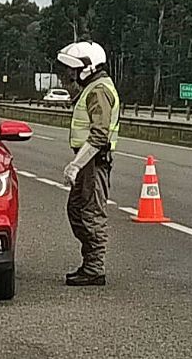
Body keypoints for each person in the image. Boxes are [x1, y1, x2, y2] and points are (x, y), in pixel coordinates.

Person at [56, 41, 120, 287]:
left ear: (88, 68)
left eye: (73, 70)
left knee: (91, 213)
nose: (69, 75)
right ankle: (90, 263)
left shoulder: (98, 91)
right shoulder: (91, 88)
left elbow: (99, 135)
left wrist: (75, 165)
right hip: (88, 163)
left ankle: (94, 268)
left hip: (93, 163)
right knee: (77, 210)